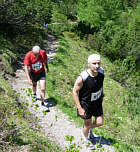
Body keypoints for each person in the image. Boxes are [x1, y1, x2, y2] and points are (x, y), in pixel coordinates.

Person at [73, 54, 104, 149]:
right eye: (94, 63)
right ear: (89, 64)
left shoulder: (101, 72)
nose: (97, 66)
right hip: (86, 104)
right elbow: (74, 91)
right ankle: (85, 138)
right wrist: (79, 108)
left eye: (98, 63)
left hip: (97, 102)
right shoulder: (83, 77)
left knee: (100, 122)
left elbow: (100, 84)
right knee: (87, 123)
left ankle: (87, 130)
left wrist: (102, 94)